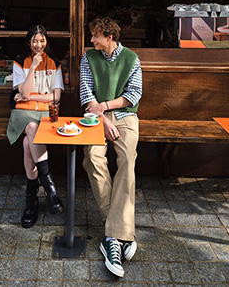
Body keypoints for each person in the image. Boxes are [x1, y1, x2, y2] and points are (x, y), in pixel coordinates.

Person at [80, 16, 142, 278]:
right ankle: (121, 231)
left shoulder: (132, 59)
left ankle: (113, 237)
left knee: (127, 159)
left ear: (109, 36)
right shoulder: (88, 58)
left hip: (126, 116)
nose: (91, 40)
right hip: (95, 118)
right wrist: (103, 119)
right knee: (92, 157)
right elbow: (86, 95)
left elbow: (133, 95)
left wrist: (106, 107)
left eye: (95, 35)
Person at [7, 24, 64, 228]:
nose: (38, 44)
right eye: (34, 40)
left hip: (45, 113)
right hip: (22, 114)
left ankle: (32, 199)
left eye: (41, 40)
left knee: (27, 145)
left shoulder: (54, 63)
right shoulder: (20, 62)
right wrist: (31, 68)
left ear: (46, 41)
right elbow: (22, 93)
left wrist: (30, 96)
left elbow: (56, 96)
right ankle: (50, 190)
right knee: (31, 128)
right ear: (28, 42)